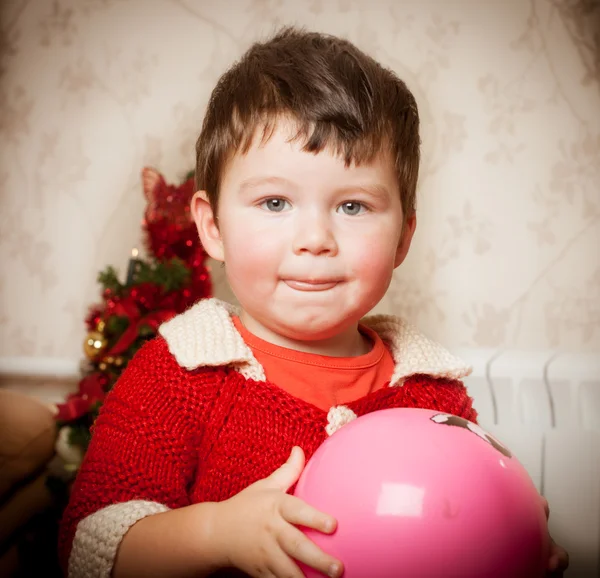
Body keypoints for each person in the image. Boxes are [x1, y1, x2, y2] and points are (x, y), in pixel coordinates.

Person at [58, 27, 568, 578]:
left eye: (353, 206)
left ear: (403, 237)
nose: (315, 238)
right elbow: (90, 543)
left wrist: (510, 540)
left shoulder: (433, 396)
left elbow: (457, 522)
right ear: (213, 227)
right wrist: (215, 533)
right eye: (275, 201)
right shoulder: (178, 372)